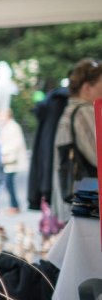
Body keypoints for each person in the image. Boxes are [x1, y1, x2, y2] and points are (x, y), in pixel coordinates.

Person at [52, 58, 102, 222]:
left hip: (77, 199)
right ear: (87, 87)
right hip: (89, 199)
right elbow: (98, 156)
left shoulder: (71, 110)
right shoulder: (84, 112)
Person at [0, 108, 28, 215]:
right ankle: (14, 205)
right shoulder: (7, 126)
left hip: (11, 160)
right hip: (8, 159)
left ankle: (14, 205)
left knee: (9, 183)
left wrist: (3, 152)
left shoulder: (13, 126)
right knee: (8, 184)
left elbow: (15, 143)